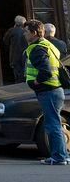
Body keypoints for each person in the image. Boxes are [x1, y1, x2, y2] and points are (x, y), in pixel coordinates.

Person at [23, 19, 68, 165]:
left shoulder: (37, 48)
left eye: (26, 31)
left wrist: (35, 82)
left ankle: (59, 157)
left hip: (48, 90)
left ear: (34, 33)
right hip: (55, 90)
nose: (24, 34)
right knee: (55, 123)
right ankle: (62, 155)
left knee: (52, 124)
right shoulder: (49, 45)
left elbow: (46, 72)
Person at [4, 15, 29, 83]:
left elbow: (5, 41)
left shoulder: (11, 31)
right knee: (25, 71)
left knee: (17, 74)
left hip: (15, 54)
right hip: (25, 54)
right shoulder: (27, 31)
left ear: (15, 22)